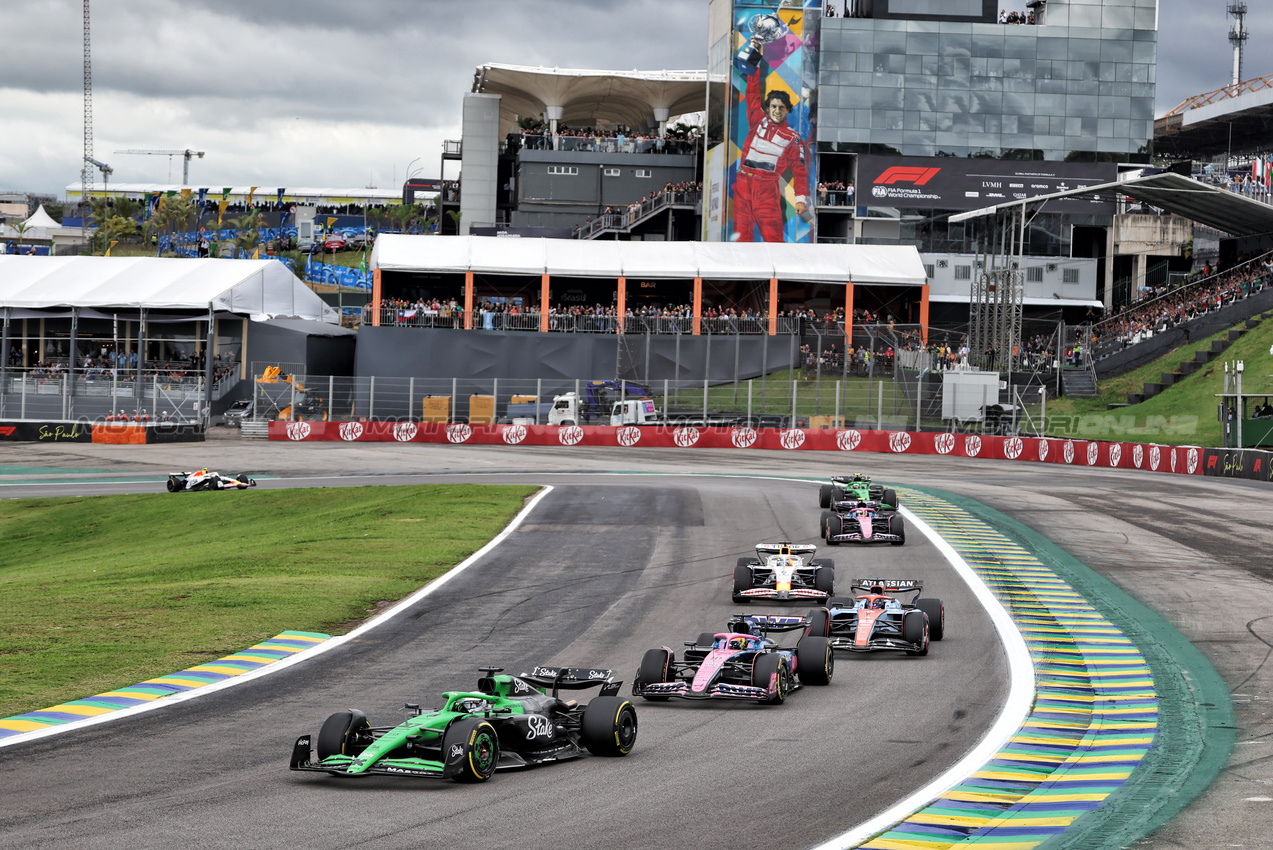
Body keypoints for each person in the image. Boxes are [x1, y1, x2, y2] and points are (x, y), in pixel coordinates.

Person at [733, 35, 810, 242]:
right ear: (767, 108)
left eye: (781, 107)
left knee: (773, 238)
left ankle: (777, 265)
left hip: (766, 188)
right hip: (743, 184)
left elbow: (799, 171)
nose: (777, 110)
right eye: (773, 106)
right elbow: (752, 91)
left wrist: (800, 199)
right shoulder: (757, 119)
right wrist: (756, 59)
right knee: (741, 239)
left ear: (787, 110)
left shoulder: (793, 138)